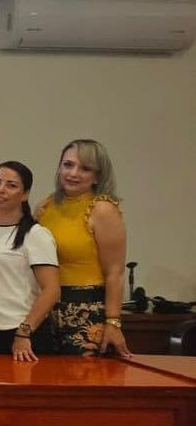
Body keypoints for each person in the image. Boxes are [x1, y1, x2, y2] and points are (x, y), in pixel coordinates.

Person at [37, 139, 130, 357]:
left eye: (85, 168)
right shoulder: (45, 206)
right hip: (44, 310)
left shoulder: (103, 210)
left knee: (84, 375)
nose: (73, 173)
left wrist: (113, 322)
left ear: (97, 176)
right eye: (68, 165)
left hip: (87, 312)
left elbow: (115, 272)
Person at [0, 161, 58, 361]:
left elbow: (51, 290)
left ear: (25, 194)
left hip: (16, 332)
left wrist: (24, 332)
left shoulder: (36, 234)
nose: (0, 189)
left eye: (11, 185)